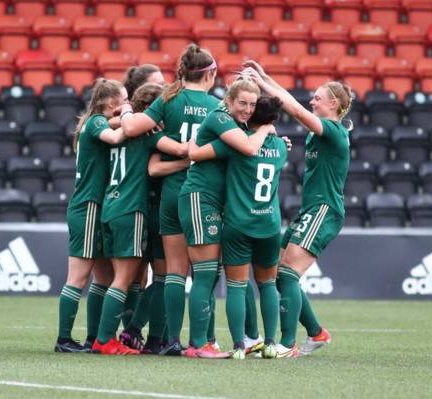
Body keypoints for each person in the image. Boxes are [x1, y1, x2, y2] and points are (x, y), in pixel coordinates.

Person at [120, 44, 221, 356]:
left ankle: (171, 341)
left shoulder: (168, 98)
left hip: (170, 191)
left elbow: (133, 127)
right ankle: (204, 340)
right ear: (211, 74)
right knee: (204, 271)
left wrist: (125, 108)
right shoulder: (219, 107)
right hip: (204, 193)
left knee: (172, 272)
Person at [246, 61, 352, 358]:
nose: (312, 100)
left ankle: (288, 344)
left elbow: (294, 110)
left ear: (333, 104)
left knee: (288, 273)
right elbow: (295, 105)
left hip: (324, 209)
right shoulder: (321, 132)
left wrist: (263, 83)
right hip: (311, 209)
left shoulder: (332, 130)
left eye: (318, 97)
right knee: (281, 275)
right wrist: (265, 78)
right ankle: (317, 333)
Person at [180, 79, 281, 358]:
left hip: (219, 204)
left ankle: (226, 341)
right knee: (205, 273)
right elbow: (240, 150)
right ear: (228, 100)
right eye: (242, 103)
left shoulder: (240, 130)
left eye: (252, 104)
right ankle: (199, 345)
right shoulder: (222, 118)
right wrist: (268, 130)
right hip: (200, 198)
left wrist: (265, 133)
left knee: (215, 275)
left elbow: (198, 152)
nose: (247, 109)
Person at [93, 82, 188, 355]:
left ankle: (117, 335)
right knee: (131, 279)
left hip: (110, 207)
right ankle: (109, 338)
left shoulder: (115, 131)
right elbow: (174, 155)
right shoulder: (147, 134)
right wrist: (189, 155)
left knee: (130, 279)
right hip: (134, 208)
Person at [54, 79, 129, 353]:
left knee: (103, 277)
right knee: (78, 277)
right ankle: (63, 339)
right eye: (124, 99)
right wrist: (130, 120)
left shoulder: (97, 122)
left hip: (97, 207)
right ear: (111, 102)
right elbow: (115, 137)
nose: (127, 103)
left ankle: (94, 338)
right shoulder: (97, 121)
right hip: (88, 206)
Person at [117, 64, 165, 331]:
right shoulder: (132, 123)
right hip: (138, 202)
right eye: (157, 83)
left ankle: (144, 333)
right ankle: (130, 332)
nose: (164, 86)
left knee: (159, 274)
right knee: (136, 275)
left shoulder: (150, 120)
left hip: (156, 199)